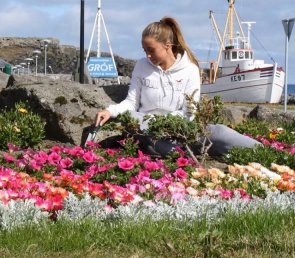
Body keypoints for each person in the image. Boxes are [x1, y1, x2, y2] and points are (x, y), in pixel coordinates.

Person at [94, 16, 259, 157]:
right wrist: (111, 111)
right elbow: (131, 102)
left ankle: (265, 152)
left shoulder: (190, 70)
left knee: (220, 132)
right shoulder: (141, 66)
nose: (147, 55)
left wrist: (165, 124)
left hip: (182, 130)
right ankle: (182, 153)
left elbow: (189, 113)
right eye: (144, 50)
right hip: (148, 129)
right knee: (137, 123)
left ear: (167, 45)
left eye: (151, 50)